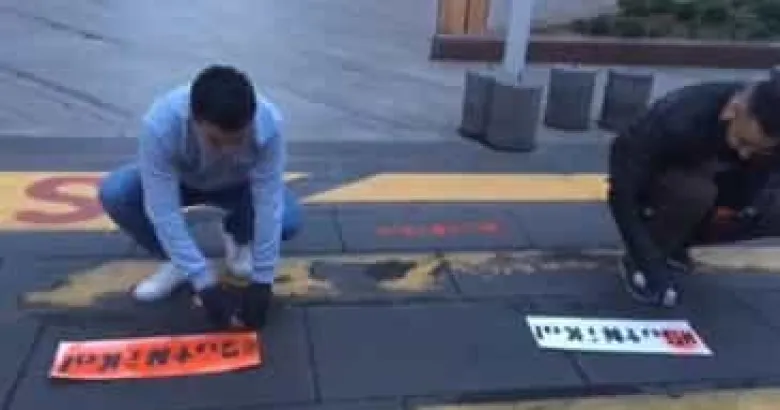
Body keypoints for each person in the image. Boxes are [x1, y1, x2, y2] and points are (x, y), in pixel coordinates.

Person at [98, 65, 302, 329]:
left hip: (239, 187)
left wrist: (263, 282)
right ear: (194, 120)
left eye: (238, 139)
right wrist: (202, 281)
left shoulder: (269, 124)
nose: (228, 150)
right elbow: (163, 210)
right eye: (216, 141)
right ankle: (177, 261)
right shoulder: (161, 125)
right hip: (183, 183)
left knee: (287, 219)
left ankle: (238, 236)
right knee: (116, 193)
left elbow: (268, 203)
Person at [607, 76, 780, 308]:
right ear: (732, 110)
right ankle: (649, 251)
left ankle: (678, 239)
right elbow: (622, 193)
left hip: (728, 185)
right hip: (661, 182)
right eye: (742, 141)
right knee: (695, 194)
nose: (745, 154)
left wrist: (744, 205)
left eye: (759, 149)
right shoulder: (676, 118)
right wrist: (647, 260)